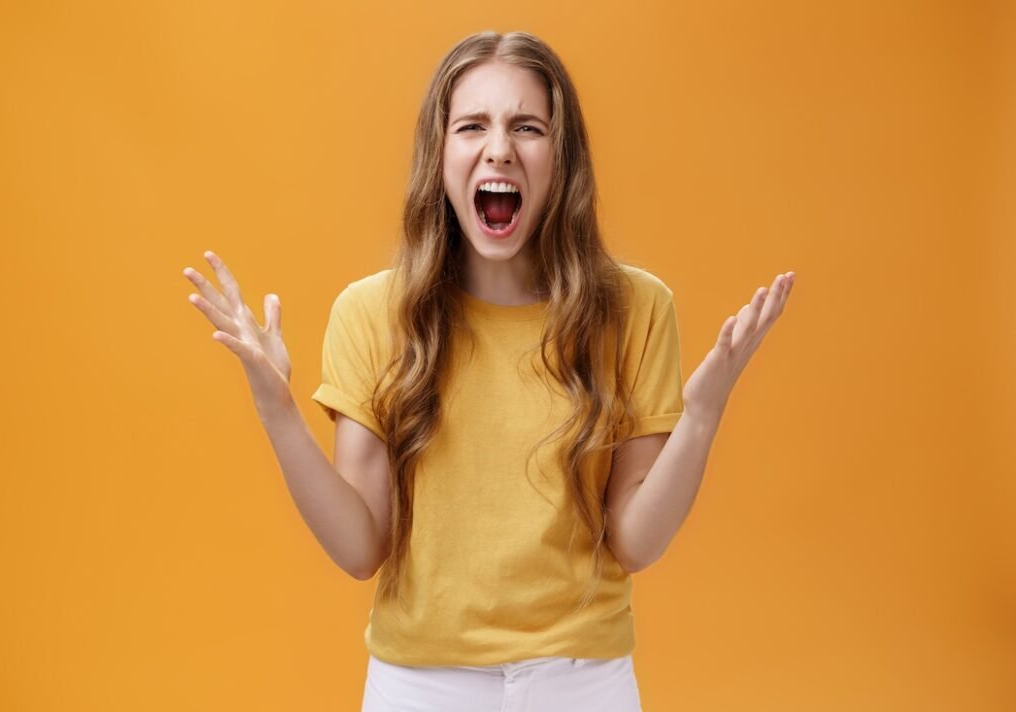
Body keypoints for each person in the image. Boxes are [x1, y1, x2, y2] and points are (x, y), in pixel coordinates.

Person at [183, 29, 794, 712]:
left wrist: (702, 417)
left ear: (561, 159)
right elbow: (361, 548)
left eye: (527, 127)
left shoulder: (637, 309)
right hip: (419, 688)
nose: (499, 147)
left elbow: (636, 540)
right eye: (472, 125)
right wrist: (277, 411)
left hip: (584, 683)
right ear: (439, 156)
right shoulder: (370, 314)